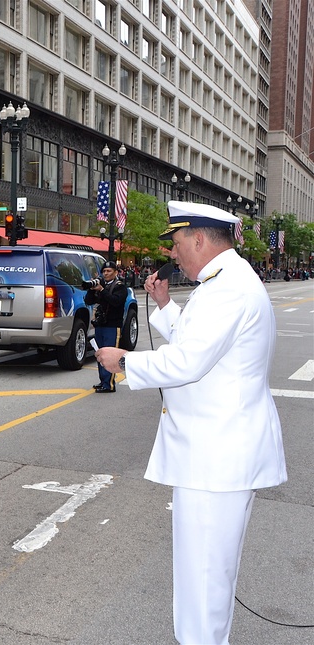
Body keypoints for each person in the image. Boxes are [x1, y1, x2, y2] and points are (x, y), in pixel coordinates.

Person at [96, 202, 287, 645]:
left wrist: (124, 361)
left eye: (177, 243)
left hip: (215, 459)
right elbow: (202, 345)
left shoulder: (227, 288)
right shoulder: (225, 281)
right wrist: (163, 306)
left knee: (203, 582)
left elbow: (189, 360)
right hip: (216, 456)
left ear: (199, 238)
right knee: (207, 579)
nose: (174, 254)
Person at [84, 260, 127, 393]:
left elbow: (115, 302)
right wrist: (92, 290)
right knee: (100, 354)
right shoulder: (101, 285)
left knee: (110, 355)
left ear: (116, 272)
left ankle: (109, 384)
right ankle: (103, 381)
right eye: (104, 271)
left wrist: (102, 290)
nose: (106, 273)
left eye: (109, 271)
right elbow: (88, 301)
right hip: (100, 325)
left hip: (113, 326)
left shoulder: (120, 287)